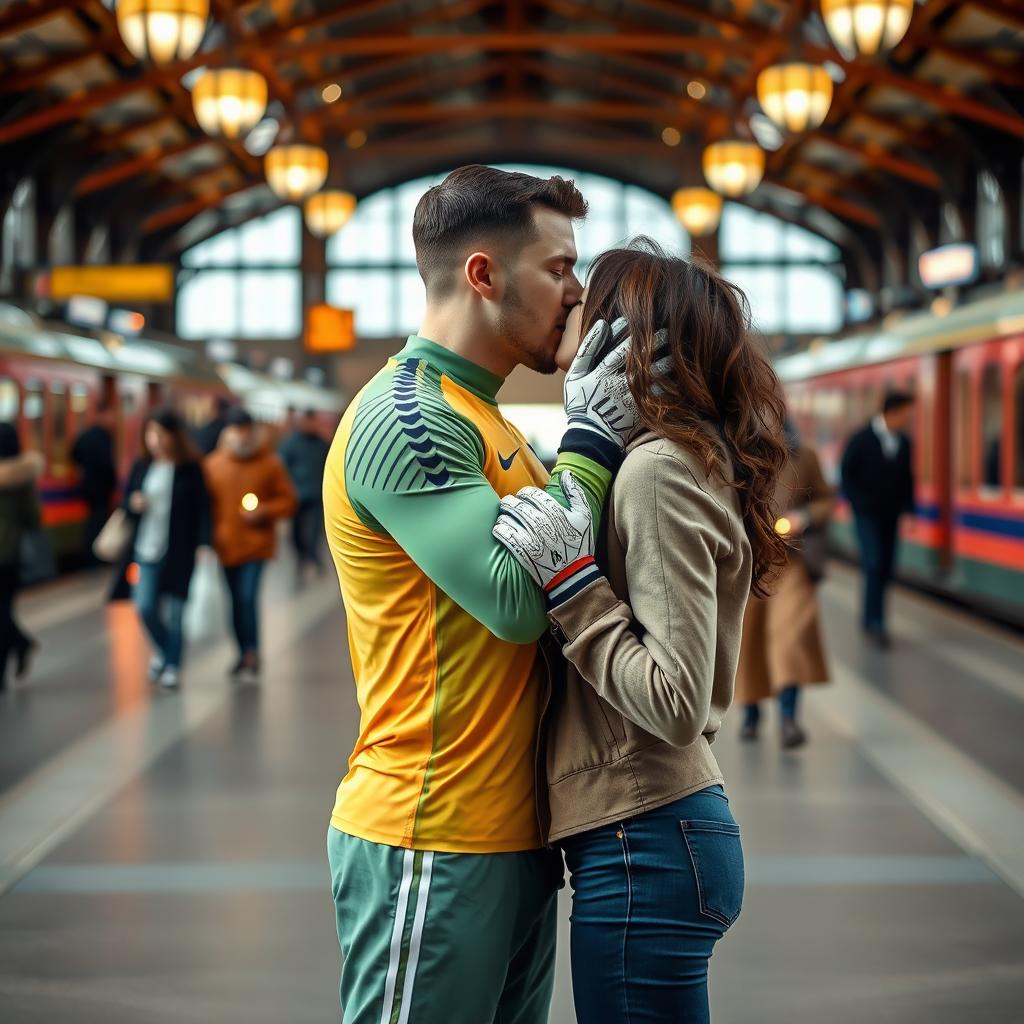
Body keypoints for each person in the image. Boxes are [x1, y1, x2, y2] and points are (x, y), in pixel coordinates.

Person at [323, 165, 639, 1024]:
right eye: (560, 268)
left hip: (515, 832)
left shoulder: (484, 416)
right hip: (432, 832)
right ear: (483, 275)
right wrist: (590, 440)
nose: (577, 294)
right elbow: (518, 600)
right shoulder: (408, 419)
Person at [492, 241, 788, 1023]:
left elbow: (676, 697)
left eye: (594, 311)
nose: (573, 313)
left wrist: (571, 587)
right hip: (649, 836)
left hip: (645, 839)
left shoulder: (658, 470)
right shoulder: (666, 459)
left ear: (628, 342)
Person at [735, 421, 835, 749]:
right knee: (748, 642)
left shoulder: (804, 456)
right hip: (752, 563)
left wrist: (802, 518)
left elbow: (825, 500)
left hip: (793, 563)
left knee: (790, 638)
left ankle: (789, 718)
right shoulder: (739, 453)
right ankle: (751, 714)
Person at [204, 407, 296, 682]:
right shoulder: (213, 465)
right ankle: (241, 652)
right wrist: (206, 538)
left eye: (246, 430)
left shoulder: (270, 463)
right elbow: (206, 507)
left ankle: (252, 653)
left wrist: (265, 511)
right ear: (228, 432)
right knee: (234, 601)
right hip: (226, 545)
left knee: (247, 597)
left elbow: (288, 502)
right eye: (237, 430)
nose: (242, 436)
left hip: (257, 545)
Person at [124, 409, 209, 690]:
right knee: (144, 606)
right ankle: (164, 651)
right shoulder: (142, 466)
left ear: (175, 436)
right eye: (151, 434)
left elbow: (203, 509)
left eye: (161, 434)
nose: (155, 440)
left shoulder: (190, 467)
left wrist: (203, 543)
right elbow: (126, 501)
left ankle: (173, 665)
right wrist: (132, 504)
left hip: (179, 551)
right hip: (145, 549)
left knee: (176, 612)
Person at [840, 390, 915, 647]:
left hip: (890, 516)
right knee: (873, 561)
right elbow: (846, 473)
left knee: (886, 566)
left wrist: (910, 510)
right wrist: (857, 502)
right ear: (892, 412)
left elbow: (907, 479)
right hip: (866, 515)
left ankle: (876, 617)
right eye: (906, 413)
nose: (909, 418)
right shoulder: (862, 439)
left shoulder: (904, 442)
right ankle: (874, 621)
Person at [0, 424, 43, 690]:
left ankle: (21, 644)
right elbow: (33, 518)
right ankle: (17, 648)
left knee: (1, 614)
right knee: (3, 610)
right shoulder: (23, 477)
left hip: (6, 554)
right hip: (10, 554)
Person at [279, 408, 330, 580]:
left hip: (316, 494)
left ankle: (313, 557)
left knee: (315, 532)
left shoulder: (322, 444)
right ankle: (303, 555)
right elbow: (282, 468)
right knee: (295, 533)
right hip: (296, 496)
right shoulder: (291, 444)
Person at [71, 400, 117, 563]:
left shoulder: (86, 435)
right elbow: (107, 463)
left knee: (93, 520)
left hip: (87, 486)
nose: (114, 419)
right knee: (97, 521)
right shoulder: (104, 437)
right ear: (102, 414)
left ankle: (91, 555)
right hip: (100, 487)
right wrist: (113, 484)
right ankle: (95, 557)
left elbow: (74, 453)